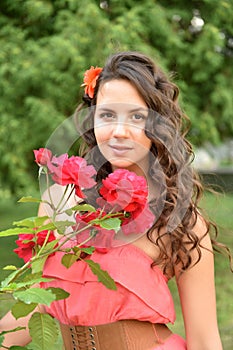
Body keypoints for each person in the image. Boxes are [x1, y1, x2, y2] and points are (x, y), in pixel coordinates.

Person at [0, 51, 229, 349]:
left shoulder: (179, 220)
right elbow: (36, 302)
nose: (119, 132)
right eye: (108, 115)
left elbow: (204, 340)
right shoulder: (59, 201)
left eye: (136, 116)